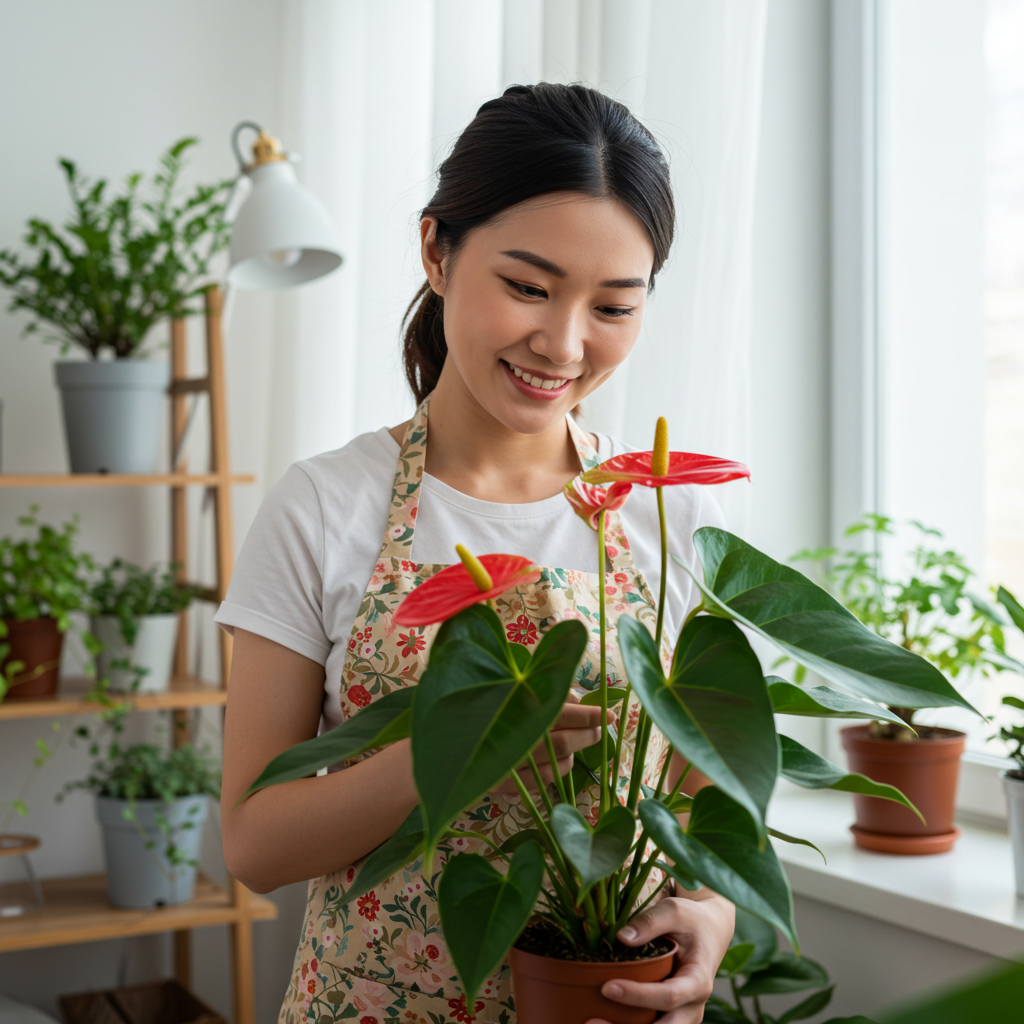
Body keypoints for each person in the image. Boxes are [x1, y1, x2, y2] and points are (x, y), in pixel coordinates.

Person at [218, 82, 735, 1024]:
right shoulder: (327, 505)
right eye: (528, 288)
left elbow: (703, 798)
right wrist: (473, 753)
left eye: (614, 307)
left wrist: (710, 913)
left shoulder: (665, 514)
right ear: (437, 252)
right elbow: (255, 844)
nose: (564, 344)